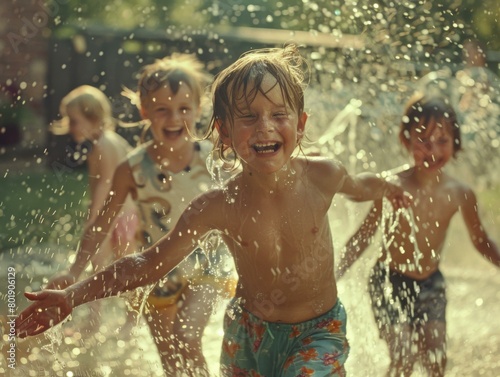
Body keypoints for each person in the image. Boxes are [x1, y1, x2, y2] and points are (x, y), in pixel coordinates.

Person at [16, 44, 411, 377]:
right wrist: (73, 294)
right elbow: (147, 264)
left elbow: (360, 186)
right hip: (247, 334)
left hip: (318, 331)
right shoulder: (217, 206)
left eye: (278, 115)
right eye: (249, 117)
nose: (265, 127)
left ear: (301, 123)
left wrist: (389, 187)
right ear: (223, 131)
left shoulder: (323, 175)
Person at [45, 55, 234, 376]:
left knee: (186, 336)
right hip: (155, 272)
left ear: (199, 109)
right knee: (169, 357)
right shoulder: (132, 168)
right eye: (162, 109)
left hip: (208, 266)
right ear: (145, 111)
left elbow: (251, 199)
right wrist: (75, 270)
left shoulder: (215, 158)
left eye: (184, 109)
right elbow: (101, 224)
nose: (174, 118)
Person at [337, 93, 500, 376]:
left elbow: (481, 241)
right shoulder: (390, 186)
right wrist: (333, 274)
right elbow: (363, 236)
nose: (433, 149)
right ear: (406, 140)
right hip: (388, 280)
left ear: (455, 143)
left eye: (442, 141)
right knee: (403, 357)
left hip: (430, 283)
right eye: (423, 140)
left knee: (436, 360)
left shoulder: (460, 193)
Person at [53, 84, 138, 283]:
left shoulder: (100, 146)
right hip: (128, 215)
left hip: (109, 218)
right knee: (127, 272)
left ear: (92, 118)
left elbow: (104, 184)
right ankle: (131, 314)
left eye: (73, 121)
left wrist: (93, 219)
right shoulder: (114, 140)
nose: (70, 126)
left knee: (97, 271)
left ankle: (94, 314)